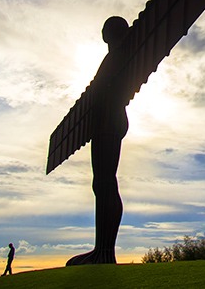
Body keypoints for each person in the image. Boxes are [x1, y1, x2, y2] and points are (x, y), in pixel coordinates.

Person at [67, 16, 130, 266]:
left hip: (109, 121)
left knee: (105, 182)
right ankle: (101, 249)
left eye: (107, 29)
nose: (103, 33)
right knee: (101, 183)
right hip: (104, 121)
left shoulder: (122, 54)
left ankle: (105, 251)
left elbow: (105, 91)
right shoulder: (112, 58)